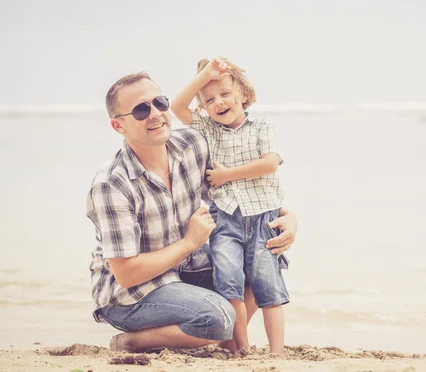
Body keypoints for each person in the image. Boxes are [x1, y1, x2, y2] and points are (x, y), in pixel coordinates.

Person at [86, 71, 297, 353]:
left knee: (265, 260)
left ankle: (211, 335)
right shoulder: (111, 184)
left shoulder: (192, 146)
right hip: (130, 295)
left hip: (184, 270)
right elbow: (127, 273)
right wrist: (190, 242)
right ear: (118, 125)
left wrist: (288, 218)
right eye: (140, 110)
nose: (155, 114)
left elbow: (234, 193)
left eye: (160, 103)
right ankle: (133, 341)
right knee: (217, 317)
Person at [169, 58, 288, 354]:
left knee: (268, 287)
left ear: (243, 95)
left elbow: (269, 164)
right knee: (229, 282)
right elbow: (177, 106)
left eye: (224, 94)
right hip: (226, 220)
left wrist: (225, 176)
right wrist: (204, 77)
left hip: (263, 218)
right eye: (209, 100)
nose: (218, 103)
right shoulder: (209, 129)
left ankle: (277, 352)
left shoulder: (262, 126)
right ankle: (241, 349)